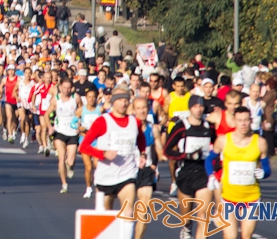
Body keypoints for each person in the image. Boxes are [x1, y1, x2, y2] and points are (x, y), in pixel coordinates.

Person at [79, 85, 145, 233]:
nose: (124, 103)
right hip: (106, 177)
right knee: (107, 219)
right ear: (113, 101)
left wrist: (143, 154)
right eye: (120, 100)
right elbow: (84, 147)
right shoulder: (103, 121)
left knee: (128, 214)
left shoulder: (135, 122)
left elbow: (140, 140)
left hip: (127, 174)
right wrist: (103, 154)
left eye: (126, 100)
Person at [206, 106, 270, 239]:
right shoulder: (223, 140)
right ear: (234, 121)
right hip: (229, 197)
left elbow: (267, 168)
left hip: (251, 197)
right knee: (230, 236)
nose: (243, 124)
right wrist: (211, 175)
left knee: (246, 236)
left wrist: (264, 173)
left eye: (246, 120)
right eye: (240, 120)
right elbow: (209, 159)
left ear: (251, 121)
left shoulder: (260, 142)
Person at [163, 95, 214, 239]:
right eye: (195, 107)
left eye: (201, 107)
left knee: (203, 216)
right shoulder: (181, 127)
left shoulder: (209, 127)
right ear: (190, 108)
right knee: (187, 217)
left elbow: (218, 147)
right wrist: (186, 155)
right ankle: (186, 227)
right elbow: (167, 150)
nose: (198, 110)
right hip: (186, 173)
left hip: (204, 173)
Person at [132, 97, 165, 239]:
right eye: (138, 108)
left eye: (144, 107)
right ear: (133, 110)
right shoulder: (129, 127)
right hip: (128, 171)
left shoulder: (154, 129)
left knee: (143, 209)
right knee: (127, 210)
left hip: (146, 171)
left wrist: (160, 159)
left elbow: (158, 149)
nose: (142, 111)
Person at [50, 78, 82, 193]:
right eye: (64, 87)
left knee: (71, 161)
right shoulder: (56, 99)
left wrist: (80, 124)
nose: (66, 90)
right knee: (61, 157)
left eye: (69, 88)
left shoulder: (76, 97)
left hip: (72, 132)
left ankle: (70, 166)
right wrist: (50, 126)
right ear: (60, 87)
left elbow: (81, 110)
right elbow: (47, 114)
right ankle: (64, 184)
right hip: (60, 131)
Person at [164, 75, 191, 196]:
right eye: (178, 86)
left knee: (187, 156)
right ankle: (174, 182)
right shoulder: (169, 98)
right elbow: (164, 114)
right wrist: (171, 118)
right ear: (173, 86)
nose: (180, 88)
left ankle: (186, 180)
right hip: (173, 130)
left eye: (182, 86)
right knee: (173, 157)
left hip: (187, 130)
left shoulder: (189, 96)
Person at [77, 87, 102, 198]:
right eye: (89, 97)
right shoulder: (81, 110)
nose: (91, 99)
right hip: (85, 141)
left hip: (97, 141)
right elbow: (73, 123)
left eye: (93, 97)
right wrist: (80, 127)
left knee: (97, 164)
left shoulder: (100, 110)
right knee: (88, 167)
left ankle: (98, 183)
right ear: (86, 98)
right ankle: (88, 188)